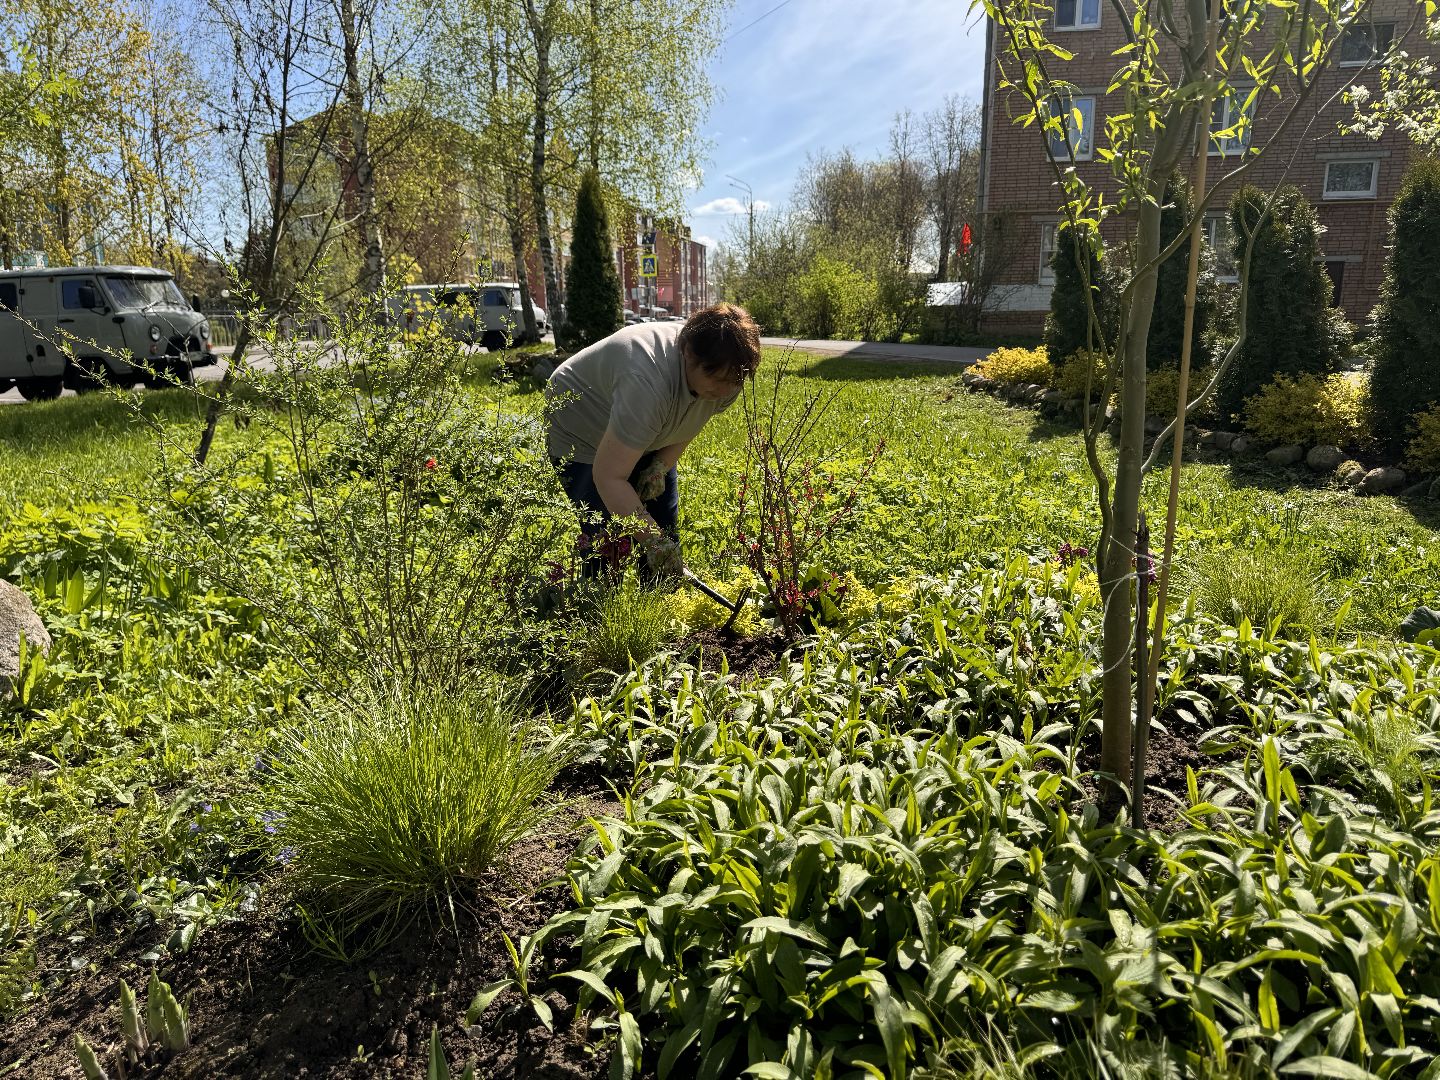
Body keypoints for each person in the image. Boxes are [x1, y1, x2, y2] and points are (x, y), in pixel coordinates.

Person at [546, 302, 762, 578]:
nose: (723, 391)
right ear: (687, 353)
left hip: (641, 424)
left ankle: (661, 597)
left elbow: (691, 421)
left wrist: (661, 465)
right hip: (582, 423)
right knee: (606, 536)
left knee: (662, 521)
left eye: (732, 381)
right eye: (715, 378)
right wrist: (654, 542)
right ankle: (599, 607)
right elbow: (608, 477)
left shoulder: (729, 376)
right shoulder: (647, 381)